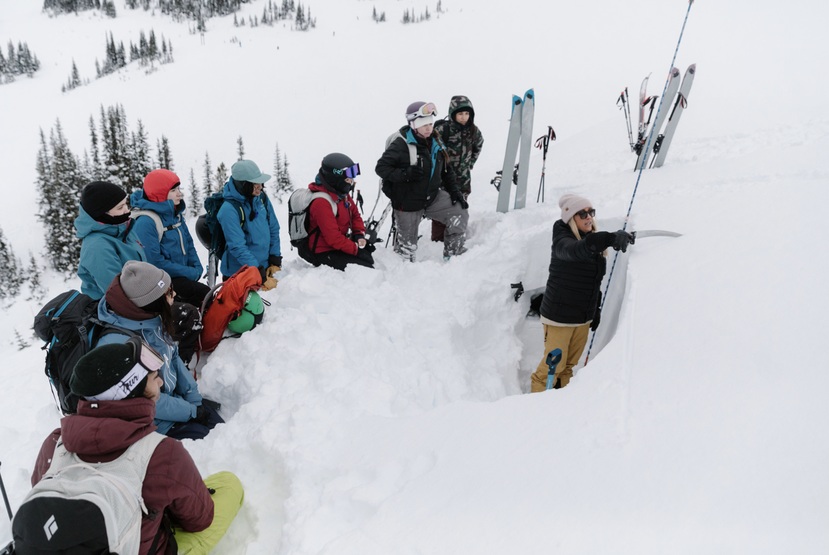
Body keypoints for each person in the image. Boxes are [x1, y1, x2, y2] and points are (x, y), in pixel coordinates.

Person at [28, 342, 244, 555]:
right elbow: (199, 519)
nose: (160, 382)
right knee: (228, 484)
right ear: (129, 391)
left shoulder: (55, 444)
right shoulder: (161, 453)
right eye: (152, 378)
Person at [95, 260, 223, 439]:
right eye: (169, 292)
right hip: (150, 424)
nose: (175, 294)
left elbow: (173, 357)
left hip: (173, 404)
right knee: (213, 442)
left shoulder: (153, 320)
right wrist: (191, 411)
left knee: (221, 428)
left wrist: (194, 400)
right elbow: (145, 401)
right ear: (153, 301)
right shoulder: (120, 346)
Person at [530, 194, 635, 392]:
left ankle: (562, 406)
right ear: (571, 218)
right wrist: (609, 238)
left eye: (590, 212)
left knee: (568, 368)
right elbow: (573, 250)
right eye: (582, 213)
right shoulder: (563, 240)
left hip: (582, 319)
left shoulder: (591, 243)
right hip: (559, 319)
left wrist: (594, 309)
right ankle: (537, 409)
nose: (588, 217)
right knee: (553, 368)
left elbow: (594, 283)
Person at [375, 101, 469, 262]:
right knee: (407, 248)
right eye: (423, 124)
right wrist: (406, 174)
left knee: (459, 211)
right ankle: (404, 272)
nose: (428, 128)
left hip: (432, 197)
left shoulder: (436, 142)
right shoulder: (401, 144)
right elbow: (381, 168)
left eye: (430, 124)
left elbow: (447, 170)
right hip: (408, 202)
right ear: (412, 124)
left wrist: (455, 191)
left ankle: (454, 256)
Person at [130, 168, 210, 308]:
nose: (180, 194)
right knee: (203, 297)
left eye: (178, 189)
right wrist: (190, 272)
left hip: (182, 277)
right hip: (161, 283)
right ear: (159, 193)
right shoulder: (146, 222)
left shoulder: (175, 213)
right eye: (173, 191)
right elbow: (154, 263)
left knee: (206, 300)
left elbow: (189, 244)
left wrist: (197, 267)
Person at [297, 152, 374, 271]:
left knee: (368, 262)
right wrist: (356, 250)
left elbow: (355, 215)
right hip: (322, 251)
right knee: (366, 269)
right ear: (335, 178)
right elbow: (333, 238)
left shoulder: (341, 195)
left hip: (336, 246)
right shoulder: (321, 202)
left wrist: (359, 235)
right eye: (348, 179)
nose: (351, 182)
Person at [75, 181, 146, 300]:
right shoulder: (97, 247)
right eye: (120, 207)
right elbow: (118, 294)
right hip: (113, 311)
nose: (127, 211)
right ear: (101, 213)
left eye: (125, 204)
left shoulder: (124, 229)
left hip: (142, 296)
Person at [218, 159, 281, 290]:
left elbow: (273, 228)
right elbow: (237, 247)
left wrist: (274, 258)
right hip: (239, 275)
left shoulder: (261, 199)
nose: (261, 186)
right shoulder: (228, 210)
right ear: (243, 185)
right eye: (255, 183)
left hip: (263, 269)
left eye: (261, 182)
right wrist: (258, 273)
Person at [432, 95, 484, 242]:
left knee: (460, 209)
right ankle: (437, 240)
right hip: (444, 180)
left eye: (467, 114)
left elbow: (478, 146)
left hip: (463, 180)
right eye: (460, 113)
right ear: (453, 113)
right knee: (440, 211)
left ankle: (456, 237)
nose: (464, 117)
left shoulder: (473, 131)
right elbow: (434, 152)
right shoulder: (443, 129)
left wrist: (470, 163)